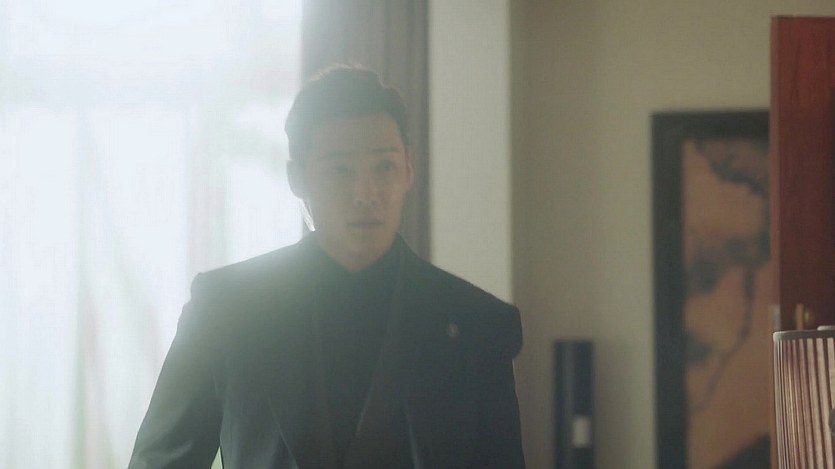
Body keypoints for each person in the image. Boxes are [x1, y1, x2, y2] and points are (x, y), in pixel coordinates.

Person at [128, 65, 526, 469]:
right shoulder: (226, 310)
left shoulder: (477, 325)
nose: (366, 193)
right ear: (297, 178)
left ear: (408, 168)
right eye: (341, 170)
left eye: (384, 167)